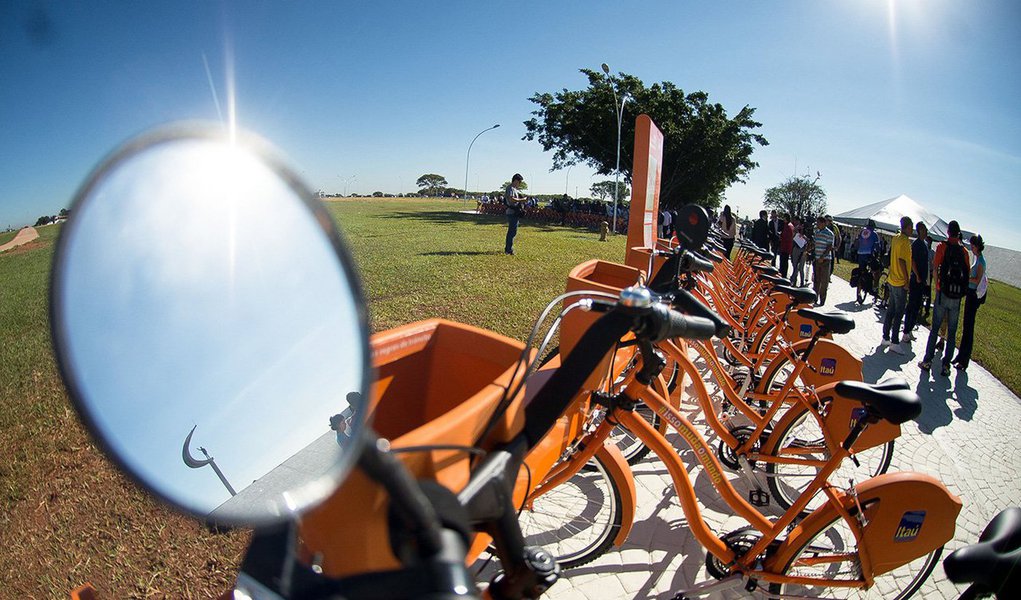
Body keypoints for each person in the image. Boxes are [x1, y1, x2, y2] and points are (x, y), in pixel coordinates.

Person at [919, 220, 970, 377]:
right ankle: (946, 365)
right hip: (956, 297)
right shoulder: (964, 252)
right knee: (952, 332)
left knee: (935, 328)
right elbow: (966, 275)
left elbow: (935, 269)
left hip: (943, 293)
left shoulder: (941, 247)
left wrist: (938, 287)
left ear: (948, 232)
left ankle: (927, 361)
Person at [952, 235, 987, 371]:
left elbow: (977, 280)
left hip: (973, 297)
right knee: (966, 326)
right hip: (970, 295)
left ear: (977, 246)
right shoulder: (978, 259)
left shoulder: (981, 262)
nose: (971, 248)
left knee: (968, 329)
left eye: (972, 246)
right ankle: (960, 356)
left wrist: (965, 278)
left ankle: (964, 360)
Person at [882, 216, 913, 354]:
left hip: (892, 278)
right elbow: (902, 260)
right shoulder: (905, 241)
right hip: (900, 281)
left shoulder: (895, 238)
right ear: (907, 227)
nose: (912, 230)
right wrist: (907, 281)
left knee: (890, 310)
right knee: (899, 312)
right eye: (911, 227)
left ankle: (885, 337)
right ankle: (894, 341)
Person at [902, 222, 929, 341]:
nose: (926, 232)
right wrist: (917, 275)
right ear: (920, 231)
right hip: (916, 279)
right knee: (912, 305)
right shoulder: (917, 244)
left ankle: (911, 328)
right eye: (924, 230)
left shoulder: (925, 244)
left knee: (918, 305)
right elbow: (912, 261)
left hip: (922, 280)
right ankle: (906, 331)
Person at [812, 216, 835, 305]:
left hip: (825, 260)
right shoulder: (817, 232)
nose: (817, 224)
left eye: (818, 223)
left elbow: (829, 247)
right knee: (816, 280)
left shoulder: (829, 233)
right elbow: (815, 243)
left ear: (823, 223)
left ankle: (822, 300)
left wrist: (823, 256)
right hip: (817, 259)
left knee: (824, 281)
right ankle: (815, 298)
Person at [504, 174, 525, 254]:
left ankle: (509, 248)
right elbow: (511, 199)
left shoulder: (514, 189)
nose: (519, 183)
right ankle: (508, 249)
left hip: (515, 212)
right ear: (516, 180)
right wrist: (522, 200)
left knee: (513, 231)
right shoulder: (510, 188)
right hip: (511, 212)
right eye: (519, 182)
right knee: (512, 231)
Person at [789, 217, 807, 286]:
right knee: (795, 266)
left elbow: (809, 240)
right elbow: (793, 235)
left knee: (801, 268)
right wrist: (797, 229)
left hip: (803, 249)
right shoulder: (796, 228)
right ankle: (794, 281)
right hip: (796, 248)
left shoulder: (807, 230)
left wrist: (804, 235)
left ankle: (802, 283)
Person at [778, 213, 793, 278]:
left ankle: (783, 275)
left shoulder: (788, 226)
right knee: (784, 261)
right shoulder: (787, 225)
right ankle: (783, 274)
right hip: (785, 246)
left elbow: (787, 237)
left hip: (785, 247)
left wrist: (781, 236)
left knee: (784, 262)